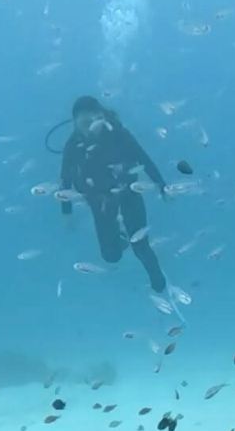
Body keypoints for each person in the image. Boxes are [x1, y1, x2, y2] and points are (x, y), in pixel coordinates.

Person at [58, 96, 169, 295]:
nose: (90, 128)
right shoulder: (72, 145)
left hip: (128, 192)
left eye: (92, 121)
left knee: (141, 245)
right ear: (75, 123)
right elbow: (65, 179)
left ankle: (159, 283)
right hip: (98, 200)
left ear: (101, 117)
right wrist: (66, 212)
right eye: (84, 123)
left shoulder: (118, 134)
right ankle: (120, 237)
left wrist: (162, 186)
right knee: (111, 256)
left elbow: (143, 159)